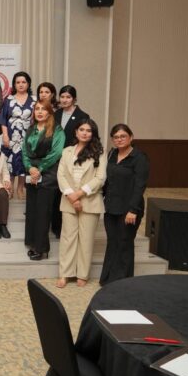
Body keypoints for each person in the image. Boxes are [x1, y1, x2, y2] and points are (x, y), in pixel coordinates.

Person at [56, 119, 106, 288]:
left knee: (86, 239)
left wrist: (79, 194)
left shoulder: (99, 152)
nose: (85, 133)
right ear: (76, 132)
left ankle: (82, 274)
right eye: (82, 129)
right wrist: (71, 196)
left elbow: (100, 178)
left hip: (90, 201)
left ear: (93, 134)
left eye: (89, 130)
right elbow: (61, 175)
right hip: (68, 200)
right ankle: (65, 273)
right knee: (68, 238)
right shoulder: (67, 151)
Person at [100, 124, 149, 286]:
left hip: (129, 209)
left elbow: (140, 185)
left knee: (124, 243)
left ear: (131, 137)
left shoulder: (139, 157)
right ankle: (108, 279)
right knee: (112, 242)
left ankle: (122, 282)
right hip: (111, 207)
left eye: (123, 136)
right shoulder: (112, 154)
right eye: (115, 137)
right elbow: (107, 180)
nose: (119, 139)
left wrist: (133, 210)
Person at [23, 100, 65, 261]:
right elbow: (24, 151)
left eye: (43, 109)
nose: (40, 112)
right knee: (32, 211)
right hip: (32, 173)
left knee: (43, 213)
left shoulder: (57, 130)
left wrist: (39, 169)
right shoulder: (31, 129)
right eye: (37, 109)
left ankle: (42, 250)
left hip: (48, 174)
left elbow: (56, 153)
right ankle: (33, 244)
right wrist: (30, 168)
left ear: (49, 112)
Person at [52, 84, 89, 238]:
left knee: (71, 189)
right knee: (57, 190)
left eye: (68, 97)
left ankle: (69, 228)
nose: (65, 100)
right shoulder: (55, 114)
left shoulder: (82, 116)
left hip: (74, 158)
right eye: (62, 97)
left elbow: (86, 137)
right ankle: (56, 226)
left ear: (74, 99)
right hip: (56, 157)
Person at [0, 72, 35, 200]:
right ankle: (10, 188)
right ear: (14, 84)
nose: (21, 85)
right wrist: (5, 136)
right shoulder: (8, 99)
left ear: (28, 84)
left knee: (24, 162)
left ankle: (20, 188)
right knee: (10, 162)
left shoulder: (34, 100)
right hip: (11, 136)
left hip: (28, 136)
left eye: (23, 82)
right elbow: (3, 119)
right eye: (18, 82)